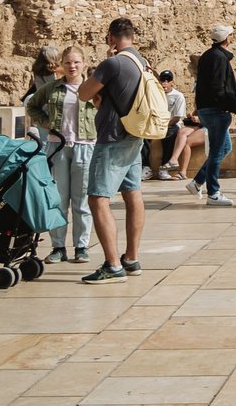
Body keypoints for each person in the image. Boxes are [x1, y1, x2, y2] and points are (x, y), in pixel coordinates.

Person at [78, 18, 154, 282]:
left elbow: (84, 93)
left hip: (112, 137)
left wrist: (101, 66)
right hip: (135, 136)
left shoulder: (113, 63)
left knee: (97, 198)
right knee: (132, 193)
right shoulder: (142, 62)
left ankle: (112, 265)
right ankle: (131, 258)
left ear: (111, 37)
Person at [25, 45, 96, 263]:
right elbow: (31, 105)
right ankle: (58, 247)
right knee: (58, 199)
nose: (72, 66)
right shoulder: (54, 88)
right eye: (67, 63)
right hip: (58, 147)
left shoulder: (92, 88)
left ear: (83, 62)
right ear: (61, 66)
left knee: (81, 200)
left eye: (76, 62)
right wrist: (47, 124)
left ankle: (81, 246)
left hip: (85, 146)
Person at [187, 25, 236, 206]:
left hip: (206, 108)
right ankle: (213, 193)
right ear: (226, 39)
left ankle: (198, 181)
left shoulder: (208, 56)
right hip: (216, 110)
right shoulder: (219, 58)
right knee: (217, 150)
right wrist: (226, 106)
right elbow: (218, 87)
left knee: (224, 148)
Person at [156, 70, 206, 181]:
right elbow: (199, 110)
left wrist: (200, 119)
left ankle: (180, 169)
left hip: (211, 125)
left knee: (182, 138)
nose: (165, 82)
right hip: (201, 122)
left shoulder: (179, 96)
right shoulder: (200, 96)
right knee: (182, 133)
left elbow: (214, 115)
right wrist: (192, 116)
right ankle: (174, 162)